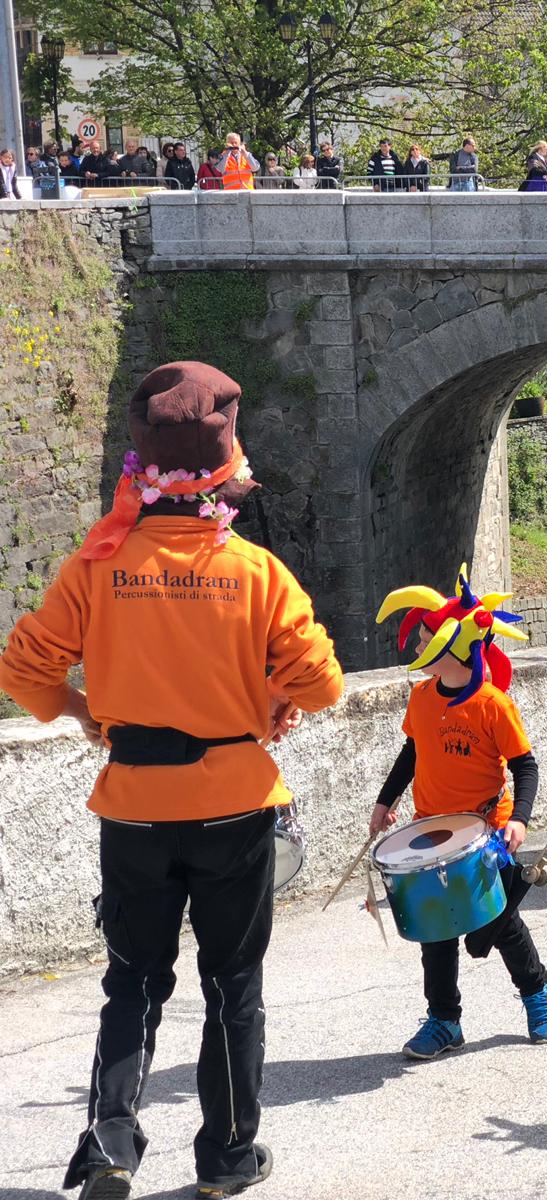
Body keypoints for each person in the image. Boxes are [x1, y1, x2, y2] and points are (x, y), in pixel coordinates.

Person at [0, 361, 344, 1199]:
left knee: (133, 980)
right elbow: (323, 684)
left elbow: (24, 667)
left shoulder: (99, 564)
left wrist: (81, 711)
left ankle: (112, 1142)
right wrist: (271, 697)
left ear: (141, 467)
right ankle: (226, 1159)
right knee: (233, 985)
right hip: (234, 804)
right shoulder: (255, 571)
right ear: (227, 471)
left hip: (135, 805)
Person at [370, 567, 547, 1057]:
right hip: (432, 832)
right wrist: (386, 801)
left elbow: (525, 766)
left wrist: (519, 819)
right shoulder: (421, 697)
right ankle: (443, 1021)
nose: (416, 647)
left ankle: (537, 991)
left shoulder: (492, 704)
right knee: (435, 930)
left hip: (486, 831)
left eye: (424, 639)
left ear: (450, 649)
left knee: (498, 924)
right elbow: (412, 753)